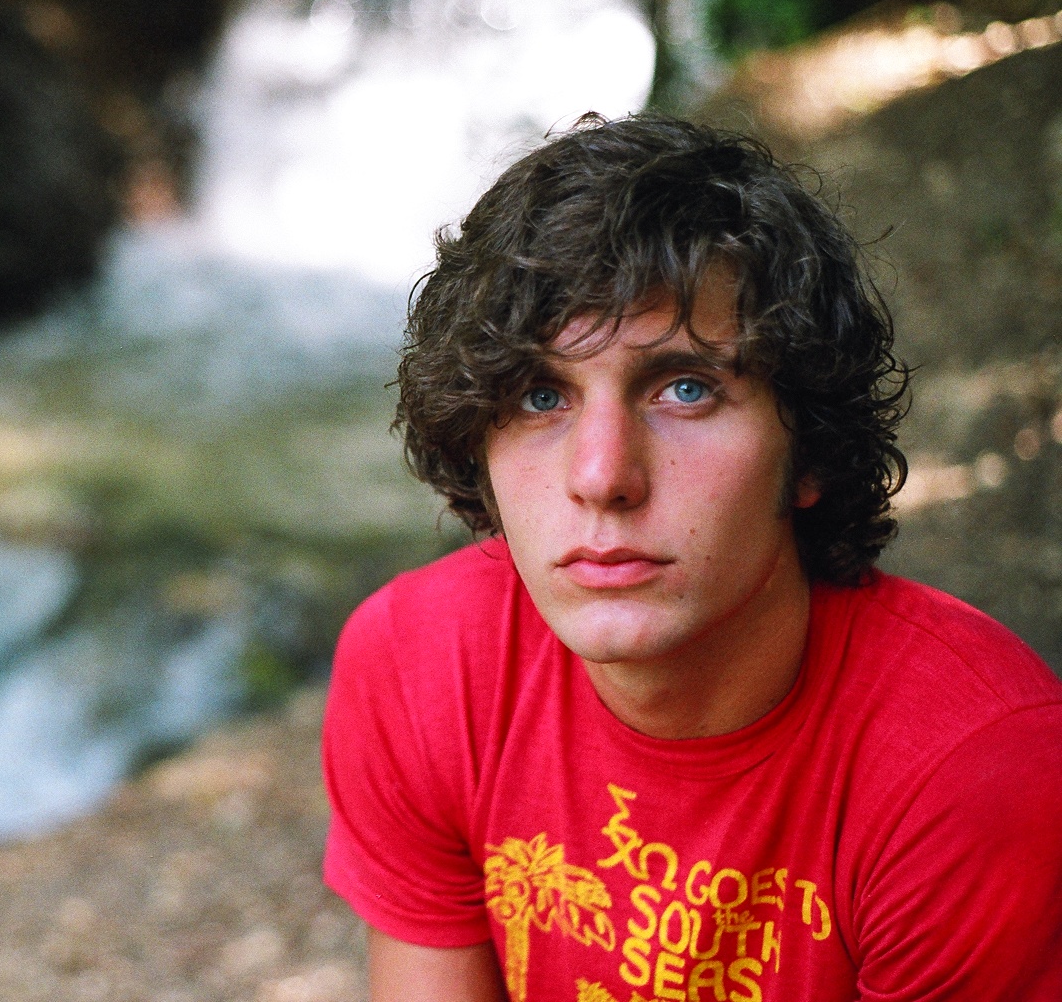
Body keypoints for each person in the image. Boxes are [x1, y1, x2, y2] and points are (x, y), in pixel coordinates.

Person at [320, 114, 1062, 1002]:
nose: (602, 476)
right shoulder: (418, 665)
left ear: (810, 450)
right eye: (541, 396)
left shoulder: (970, 769)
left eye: (685, 388)